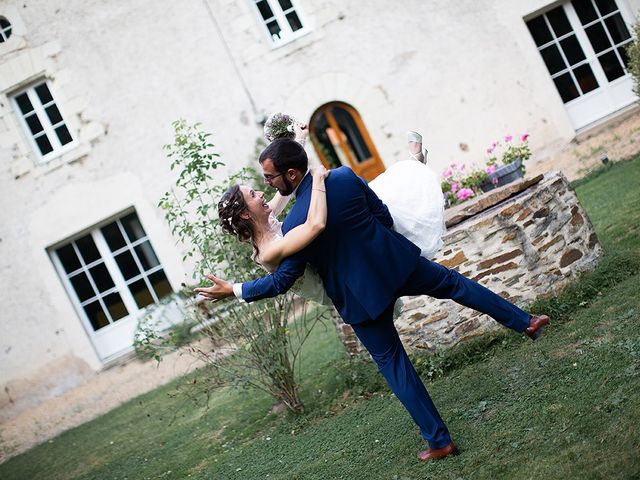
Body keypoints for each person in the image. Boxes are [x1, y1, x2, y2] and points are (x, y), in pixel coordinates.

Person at [195, 137, 550, 462]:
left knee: (395, 364)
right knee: (456, 284)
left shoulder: (295, 226)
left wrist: (236, 290)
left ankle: (439, 441)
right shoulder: (345, 177)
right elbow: (382, 215)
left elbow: (284, 279)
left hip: (359, 297)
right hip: (397, 262)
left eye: (270, 177)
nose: (267, 184)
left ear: (291, 173)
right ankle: (526, 322)